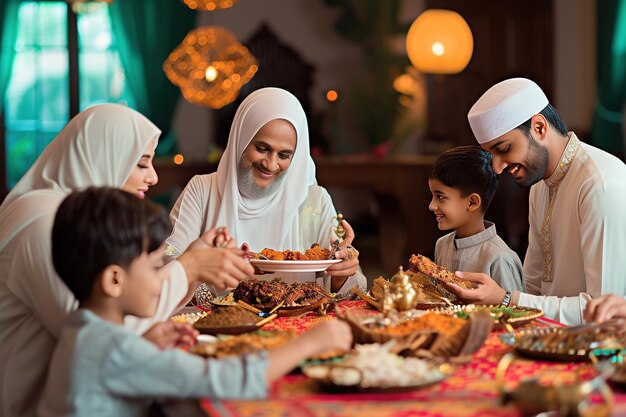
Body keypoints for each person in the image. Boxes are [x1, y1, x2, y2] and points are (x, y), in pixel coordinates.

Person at [0, 104, 254, 417]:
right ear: (103, 155)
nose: (153, 177)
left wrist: (191, 264)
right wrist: (189, 267)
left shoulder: (61, 213)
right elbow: (100, 314)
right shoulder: (43, 221)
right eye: (142, 163)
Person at [38, 187, 352, 417]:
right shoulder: (114, 350)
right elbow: (224, 381)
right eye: (152, 268)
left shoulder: (82, 331)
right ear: (114, 281)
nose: (160, 277)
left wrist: (144, 343)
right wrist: (309, 344)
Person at [445, 77, 626, 325]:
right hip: (542, 339)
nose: (497, 168)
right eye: (492, 155)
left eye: (504, 149)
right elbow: (532, 286)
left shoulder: (599, 184)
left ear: (539, 127)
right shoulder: (540, 186)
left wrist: (505, 299)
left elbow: (601, 311)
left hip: (595, 351)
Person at [167, 87, 366, 302]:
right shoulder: (201, 191)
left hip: (296, 330)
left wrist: (342, 274)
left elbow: (351, 292)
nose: (271, 164)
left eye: (284, 155)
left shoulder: (314, 201)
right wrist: (210, 277)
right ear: (241, 140)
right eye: (262, 148)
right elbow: (167, 261)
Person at [428, 146, 524, 292]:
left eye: (440, 197)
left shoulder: (500, 258)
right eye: (432, 196)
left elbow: (516, 312)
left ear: (472, 202)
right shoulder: (442, 246)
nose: (432, 206)